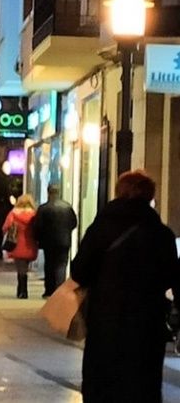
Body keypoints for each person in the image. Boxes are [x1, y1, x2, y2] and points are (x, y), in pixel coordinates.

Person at [71, 171, 180, 402]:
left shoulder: (100, 229)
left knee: (103, 385)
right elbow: (173, 277)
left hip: (105, 321)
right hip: (147, 325)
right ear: (150, 197)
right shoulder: (162, 235)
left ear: (119, 193)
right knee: (143, 385)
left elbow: (79, 271)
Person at [33, 183, 78, 297]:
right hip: (64, 241)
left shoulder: (43, 208)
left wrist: (38, 238)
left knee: (49, 264)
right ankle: (60, 289)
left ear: (48, 192)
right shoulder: (67, 207)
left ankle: (49, 290)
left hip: (48, 242)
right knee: (61, 265)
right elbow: (74, 223)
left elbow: (38, 226)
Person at [2, 194, 38, 299]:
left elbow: (5, 227)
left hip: (16, 244)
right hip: (30, 244)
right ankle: (23, 290)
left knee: (20, 268)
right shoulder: (34, 214)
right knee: (25, 267)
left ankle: (22, 290)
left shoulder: (13, 213)